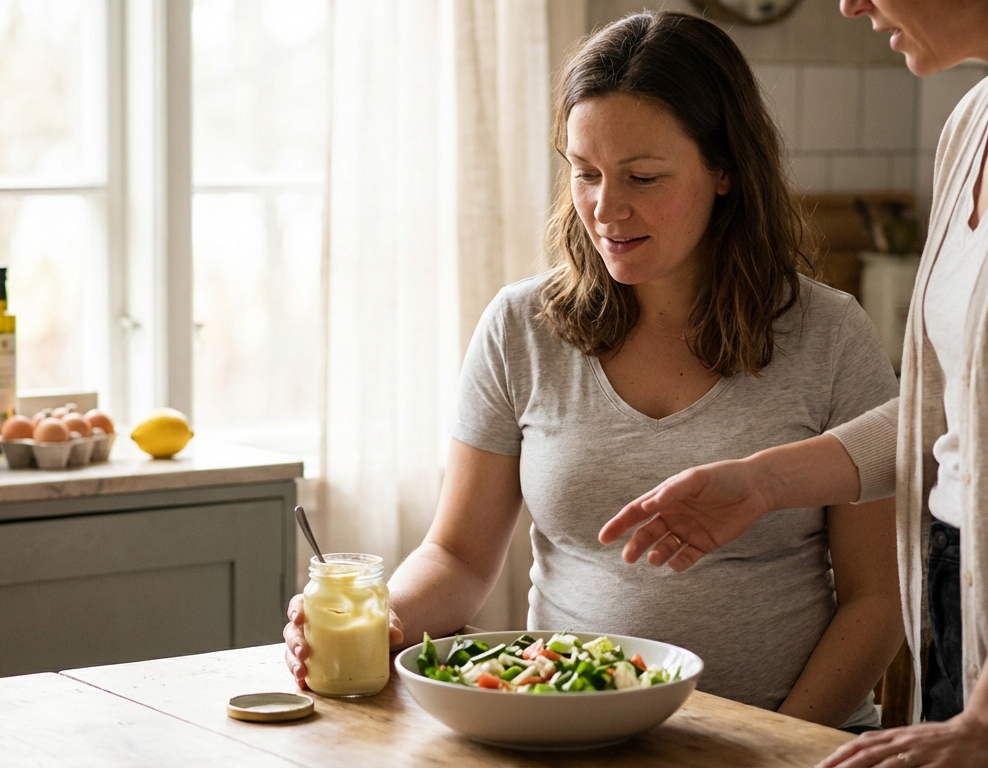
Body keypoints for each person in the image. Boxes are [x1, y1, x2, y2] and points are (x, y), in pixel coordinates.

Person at [284, 11, 905, 730]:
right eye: (586, 174)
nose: (606, 210)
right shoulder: (521, 327)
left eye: (643, 177)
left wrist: (778, 746)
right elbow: (456, 555)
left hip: (787, 738)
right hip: (569, 733)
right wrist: (381, 619)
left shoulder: (830, 337)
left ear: (726, 169)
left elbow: (878, 598)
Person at [600, 2, 988, 765]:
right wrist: (763, 484)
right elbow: (943, 414)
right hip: (962, 611)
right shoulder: (976, 117)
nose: (851, 4)